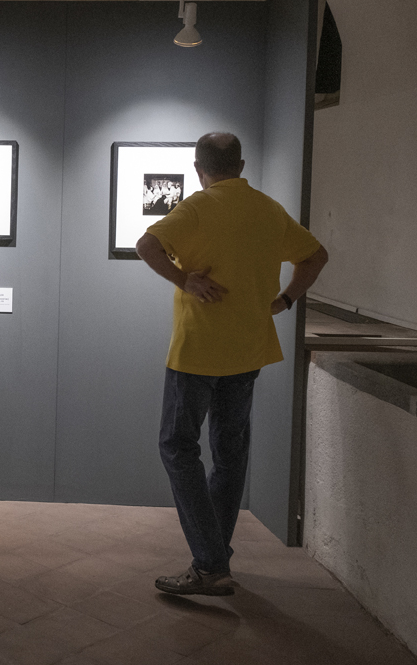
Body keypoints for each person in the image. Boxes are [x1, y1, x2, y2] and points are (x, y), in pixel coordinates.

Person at [135, 132, 328, 596]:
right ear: (240, 165)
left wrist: (186, 281)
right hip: (247, 351)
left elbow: (147, 245)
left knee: (178, 448)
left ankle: (209, 560)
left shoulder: (197, 207)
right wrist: (284, 300)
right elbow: (316, 256)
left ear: (199, 168)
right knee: (230, 453)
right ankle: (215, 556)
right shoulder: (267, 209)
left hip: (198, 352)